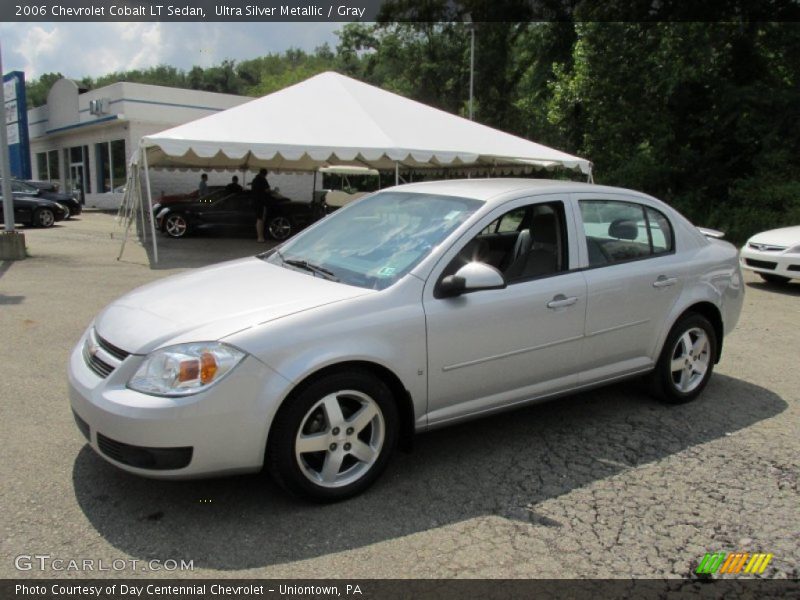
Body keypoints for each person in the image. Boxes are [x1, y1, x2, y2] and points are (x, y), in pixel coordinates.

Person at [251, 168, 271, 242]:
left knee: (258, 218)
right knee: (260, 219)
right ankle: (260, 237)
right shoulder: (262, 180)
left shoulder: (254, 180)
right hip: (261, 202)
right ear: (265, 174)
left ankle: (260, 237)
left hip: (255, 202)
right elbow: (267, 190)